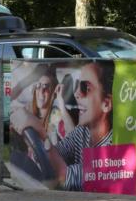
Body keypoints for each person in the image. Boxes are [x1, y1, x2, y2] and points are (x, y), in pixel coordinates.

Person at [44, 61, 114, 191]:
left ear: (106, 104)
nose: (76, 93)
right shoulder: (82, 131)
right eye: (77, 86)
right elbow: (58, 152)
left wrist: (38, 132)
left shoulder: (112, 146)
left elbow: (64, 176)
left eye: (85, 88)